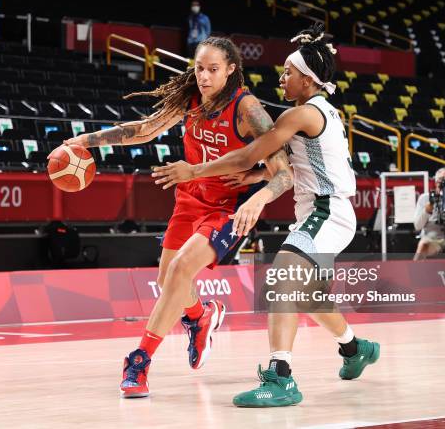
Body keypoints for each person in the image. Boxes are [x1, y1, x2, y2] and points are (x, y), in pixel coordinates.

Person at [152, 22, 380, 408]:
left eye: (288, 73)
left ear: (307, 79)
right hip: (321, 210)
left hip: (328, 211)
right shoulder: (316, 110)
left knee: (283, 277)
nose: (282, 78)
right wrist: (258, 176)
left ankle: (281, 378)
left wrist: (194, 171)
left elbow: (247, 152)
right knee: (306, 295)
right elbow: (294, 162)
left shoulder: (302, 115)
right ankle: (355, 349)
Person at [50, 37, 293, 398]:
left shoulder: (247, 108)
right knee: (168, 282)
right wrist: (83, 141)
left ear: (231, 69)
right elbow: (145, 129)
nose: (205, 76)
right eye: (199, 68)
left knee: (180, 270)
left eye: (213, 69)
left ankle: (139, 361)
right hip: (189, 199)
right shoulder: (191, 99)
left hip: (228, 207)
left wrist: (258, 187)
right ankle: (199, 316)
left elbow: (283, 171)